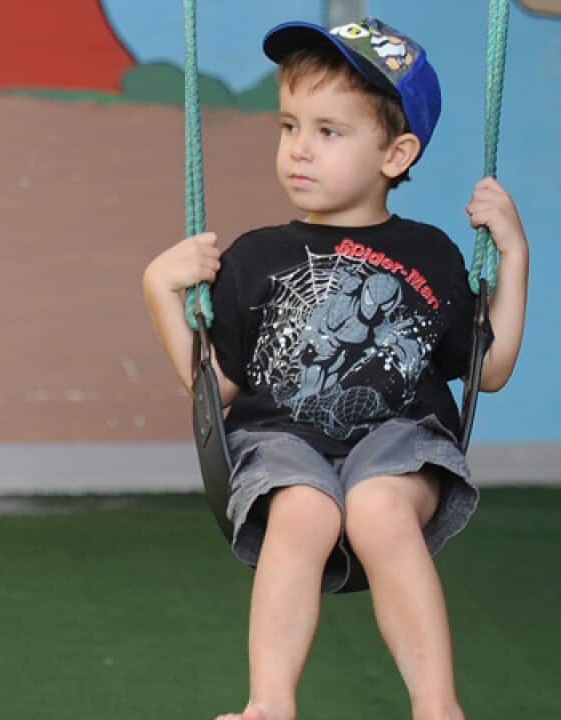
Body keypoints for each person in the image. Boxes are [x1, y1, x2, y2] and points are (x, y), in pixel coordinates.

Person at [142, 18, 528, 720]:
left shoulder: (433, 253)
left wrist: (515, 258)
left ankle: (438, 707)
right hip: (283, 445)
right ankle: (270, 704)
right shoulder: (255, 258)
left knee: (379, 507)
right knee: (302, 506)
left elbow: (489, 368)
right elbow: (215, 389)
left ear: (395, 152)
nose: (299, 150)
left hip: (400, 442)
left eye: (329, 131)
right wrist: (158, 288)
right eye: (290, 126)